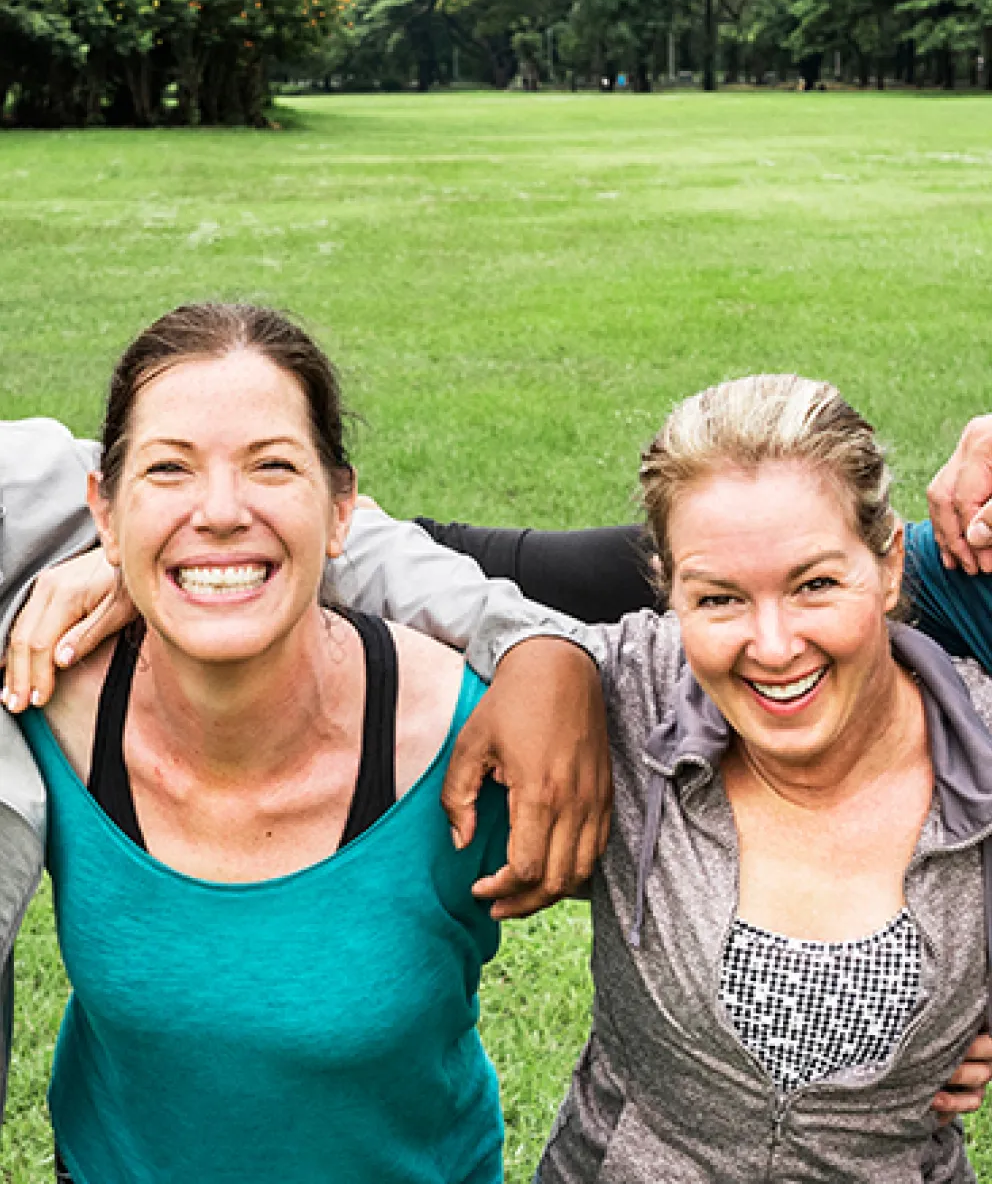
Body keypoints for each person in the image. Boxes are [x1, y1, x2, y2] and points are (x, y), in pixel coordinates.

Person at [14, 374, 992, 1179]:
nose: (772, 643)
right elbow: (440, 552)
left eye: (818, 583)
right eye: (717, 596)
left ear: (888, 565)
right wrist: (164, 566)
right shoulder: (633, 697)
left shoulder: (975, 742)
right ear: (667, 589)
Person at [2, 300, 612, 1184]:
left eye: (273, 467)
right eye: (169, 471)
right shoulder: (58, 711)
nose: (219, 507)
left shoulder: (464, 738)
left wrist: (540, 643)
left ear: (341, 507)